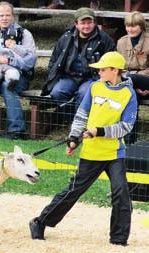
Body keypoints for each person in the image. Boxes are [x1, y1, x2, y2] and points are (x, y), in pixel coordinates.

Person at [29, 52, 137, 247]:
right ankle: (40, 222)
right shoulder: (95, 87)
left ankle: (119, 239)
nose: (99, 72)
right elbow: (82, 114)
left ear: (115, 71)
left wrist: (100, 131)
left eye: (103, 69)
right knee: (73, 191)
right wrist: (74, 137)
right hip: (91, 152)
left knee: (121, 193)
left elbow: (126, 126)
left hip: (114, 153)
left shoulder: (129, 94)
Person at [0, 1, 36, 139]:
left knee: (7, 85)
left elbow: (31, 61)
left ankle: (16, 131)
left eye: (8, 15)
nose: (4, 18)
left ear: (13, 16)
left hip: (19, 76)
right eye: (1, 15)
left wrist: (10, 61)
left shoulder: (24, 34)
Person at [41, 7, 115, 108]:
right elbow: (54, 59)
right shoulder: (66, 38)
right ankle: (69, 116)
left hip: (92, 78)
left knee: (84, 94)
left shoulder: (105, 39)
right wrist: (54, 76)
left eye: (89, 22)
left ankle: (79, 121)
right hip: (69, 77)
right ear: (76, 24)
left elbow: (112, 62)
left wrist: (103, 79)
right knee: (58, 92)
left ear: (94, 23)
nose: (86, 26)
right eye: (83, 23)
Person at [117, 11, 149, 144]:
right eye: (128, 26)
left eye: (134, 26)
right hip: (131, 85)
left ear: (141, 26)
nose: (130, 29)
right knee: (131, 95)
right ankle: (130, 141)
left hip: (146, 81)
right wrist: (135, 87)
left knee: (130, 80)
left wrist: (137, 79)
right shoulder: (121, 42)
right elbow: (119, 68)